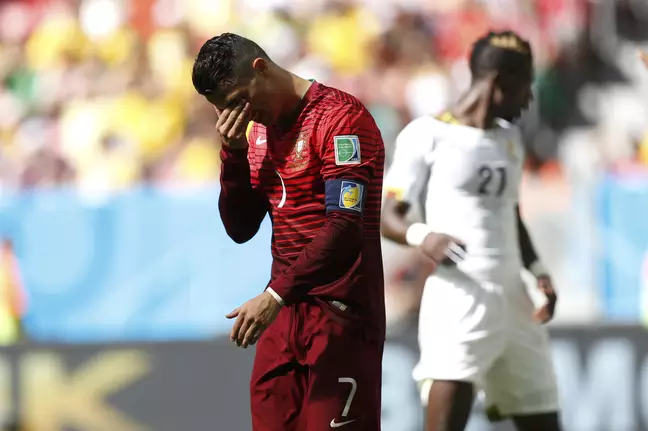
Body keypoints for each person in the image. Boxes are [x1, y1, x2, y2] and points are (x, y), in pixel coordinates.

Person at [192, 33, 386, 431]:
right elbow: (241, 229)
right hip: (284, 317)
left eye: (239, 101)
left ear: (260, 69)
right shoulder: (257, 135)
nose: (238, 115)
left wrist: (275, 294)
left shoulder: (340, 118)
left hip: (341, 314)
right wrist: (233, 154)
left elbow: (345, 226)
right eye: (224, 110)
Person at [381, 30, 561, 431]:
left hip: (515, 300)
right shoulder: (428, 134)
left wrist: (539, 271)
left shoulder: (510, 139)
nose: (529, 99)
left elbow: (511, 214)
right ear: (499, 82)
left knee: (543, 418)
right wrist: (425, 237)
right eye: (525, 87)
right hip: (460, 295)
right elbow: (388, 216)